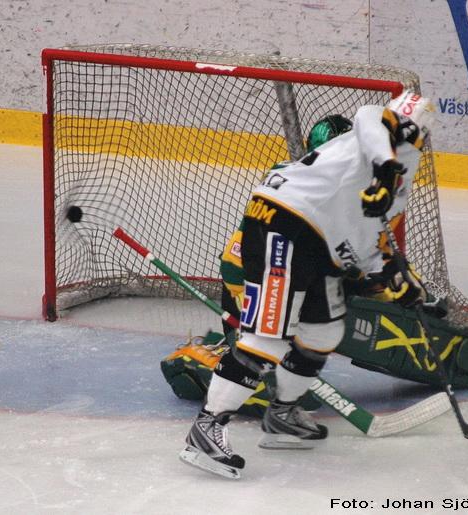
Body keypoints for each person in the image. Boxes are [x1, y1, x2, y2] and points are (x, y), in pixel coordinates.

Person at [179, 92, 434, 479]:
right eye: (404, 127)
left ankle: (282, 414)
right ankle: (207, 428)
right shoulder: (370, 132)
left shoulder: (400, 175)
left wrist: (394, 275)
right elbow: (370, 119)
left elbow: (366, 241)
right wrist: (384, 166)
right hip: (284, 224)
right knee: (268, 338)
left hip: (318, 246)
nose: (409, 137)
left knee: (324, 330)